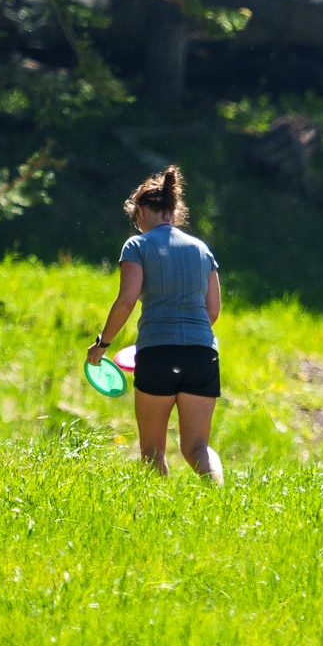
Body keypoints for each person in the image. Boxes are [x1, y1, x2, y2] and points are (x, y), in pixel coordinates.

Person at [86, 166, 225, 481]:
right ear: (173, 211)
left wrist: (103, 344)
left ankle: (156, 513)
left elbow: (126, 299)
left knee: (152, 451)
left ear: (138, 210)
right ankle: (219, 496)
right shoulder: (203, 250)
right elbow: (212, 311)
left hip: (157, 352)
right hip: (202, 354)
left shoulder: (137, 246)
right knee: (197, 446)